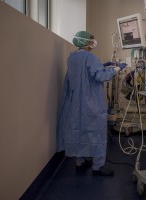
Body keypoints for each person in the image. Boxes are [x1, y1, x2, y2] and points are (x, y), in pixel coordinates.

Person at [56, 30, 127, 176]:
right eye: (91, 40)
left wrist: (101, 65)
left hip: (76, 103)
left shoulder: (72, 57)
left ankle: (80, 162)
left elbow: (85, 72)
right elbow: (100, 76)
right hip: (91, 103)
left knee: (80, 130)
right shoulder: (90, 57)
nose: (93, 42)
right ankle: (98, 167)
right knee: (97, 133)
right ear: (87, 42)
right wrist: (117, 69)